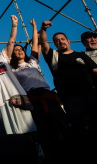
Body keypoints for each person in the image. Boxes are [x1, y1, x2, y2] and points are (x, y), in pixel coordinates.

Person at [10, 19, 69, 162]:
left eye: (20, 49)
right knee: (42, 128)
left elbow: (36, 44)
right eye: (16, 50)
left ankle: (65, 154)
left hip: (46, 95)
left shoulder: (32, 61)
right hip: (32, 98)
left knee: (57, 125)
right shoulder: (12, 70)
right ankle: (50, 156)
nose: (19, 51)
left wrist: (35, 27)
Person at [40, 21, 97, 162]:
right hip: (71, 98)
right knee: (79, 127)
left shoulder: (81, 55)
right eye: (57, 41)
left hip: (90, 94)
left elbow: (96, 70)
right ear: (55, 44)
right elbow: (43, 44)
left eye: (62, 39)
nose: (60, 42)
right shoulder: (54, 57)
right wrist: (43, 29)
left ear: (68, 41)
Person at [0, 15, 36, 135]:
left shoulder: (3, 56)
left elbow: (11, 40)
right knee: (10, 131)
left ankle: (36, 148)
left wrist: (14, 25)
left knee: (27, 126)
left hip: (15, 96)